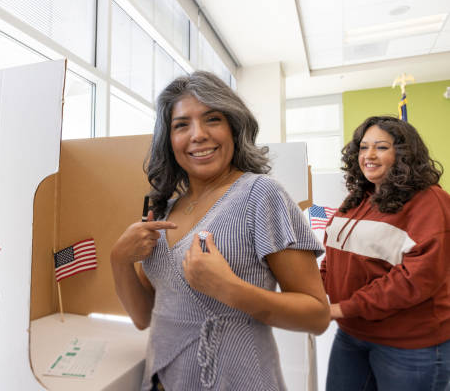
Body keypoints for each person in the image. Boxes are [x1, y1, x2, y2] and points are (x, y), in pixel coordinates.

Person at [110, 71, 330, 391]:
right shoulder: (164, 210)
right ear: (169, 141)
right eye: (181, 124)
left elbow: (317, 316)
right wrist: (119, 259)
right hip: (162, 381)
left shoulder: (261, 194)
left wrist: (230, 289)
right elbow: (144, 316)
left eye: (212, 119)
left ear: (233, 127)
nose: (197, 135)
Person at [321, 116, 450, 390]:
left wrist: (343, 308)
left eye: (381, 147)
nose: (369, 155)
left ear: (403, 154)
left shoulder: (430, 202)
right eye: (363, 147)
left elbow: (415, 279)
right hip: (351, 332)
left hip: (409, 344)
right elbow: (333, 259)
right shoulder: (357, 198)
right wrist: (315, 293)